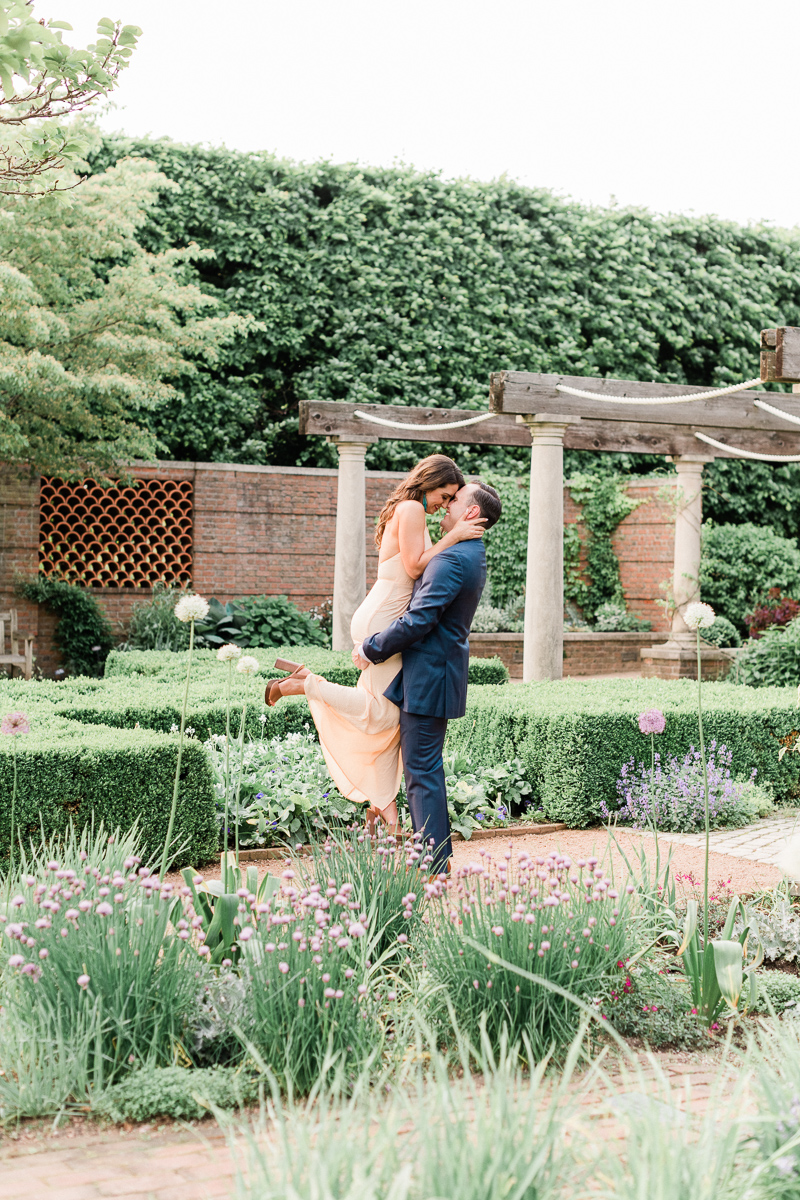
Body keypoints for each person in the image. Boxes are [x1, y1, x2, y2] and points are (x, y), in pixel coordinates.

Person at [266, 454, 485, 834]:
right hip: (386, 618)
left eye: (452, 499)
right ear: (429, 483)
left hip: (383, 612)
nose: (445, 504)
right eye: (445, 495)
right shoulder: (411, 509)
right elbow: (415, 567)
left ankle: (384, 808)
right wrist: (453, 536)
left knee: (389, 720)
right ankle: (303, 684)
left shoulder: (410, 509)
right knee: (381, 715)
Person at [353, 480, 502, 874]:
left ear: (471, 512)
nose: (447, 505)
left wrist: (371, 647)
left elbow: (420, 619)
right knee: (421, 768)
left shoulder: (453, 559)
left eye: (455, 500)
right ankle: (430, 858)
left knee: (422, 770)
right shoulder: (463, 551)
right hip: (431, 672)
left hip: (430, 674)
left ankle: (434, 865)